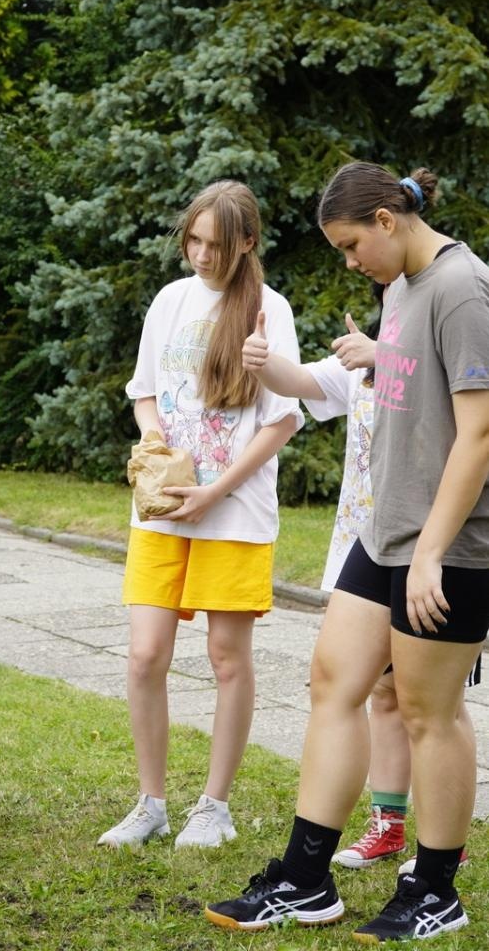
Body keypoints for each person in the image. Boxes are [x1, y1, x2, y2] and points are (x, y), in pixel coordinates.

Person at [205, 162, 489, 941]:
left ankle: (435, 890)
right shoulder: (401, 289)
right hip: (386, 529)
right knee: (334, 680)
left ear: (388, 222)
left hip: (452, 545)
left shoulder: (463, 289)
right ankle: (304, 880)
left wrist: (431, 550)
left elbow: (480, 434)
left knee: (432, 712)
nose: (350, 261)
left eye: (351, 244)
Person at [97, 180, 303, 849]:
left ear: (247, 243)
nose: (202, 255)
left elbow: (282, 421)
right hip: (161, 507)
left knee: (226, 658)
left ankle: (214, 807)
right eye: (193, 240)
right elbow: (145, 393)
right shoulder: (170, 301)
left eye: (216, 244)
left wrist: (215, 491)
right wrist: (155, 440)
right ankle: (150, 803)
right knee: (145, 654)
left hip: (233, 512)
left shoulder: (270, 310)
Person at [242, 286, 476, 874]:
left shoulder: (445, 336)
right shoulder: (363, 374)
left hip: (436, 549)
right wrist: (258, 356)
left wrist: (385, 353)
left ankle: (441, 850)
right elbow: (297, 381)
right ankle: (384, 825)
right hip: (367, 546)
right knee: (373, 691)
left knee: (431, 700)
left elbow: (473, 428)